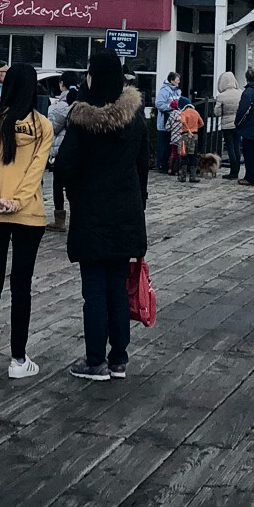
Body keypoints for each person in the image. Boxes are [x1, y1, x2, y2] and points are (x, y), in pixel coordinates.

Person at [53, 52, 150, 380]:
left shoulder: (82, 119)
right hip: (126, 214)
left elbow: (65, 165)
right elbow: (143, 163)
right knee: (118, 287)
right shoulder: (135, 117)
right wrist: (141, 200)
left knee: (93, 288)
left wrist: (72, 192)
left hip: (91, 215)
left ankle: (95, 360)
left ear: (94, 76)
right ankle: (119, 357)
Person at [0, 62, 54, 379]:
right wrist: (18, 201)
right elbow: (36, 172)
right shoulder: (43, 127)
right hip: (28, 215)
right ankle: (19, 359)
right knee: (21, 286)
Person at [46, 82, 73, 232]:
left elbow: (52, 127)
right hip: (76, 152)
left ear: (62, 84)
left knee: (58, 185)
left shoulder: (62, 105)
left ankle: (59, 220)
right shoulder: (80, 101)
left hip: (61, 149)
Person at [214, 71, 243, 178]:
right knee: (237, 147)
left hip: (227, 125)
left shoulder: (222, 96)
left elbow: (217, 112)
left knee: (230, 148)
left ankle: (232, 172)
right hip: (238, 124)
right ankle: (237, 170)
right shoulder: (240, 93)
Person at [153, 71, 181, 174]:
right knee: (163, 144)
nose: (179, 82)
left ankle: (170, 165)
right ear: (172, 80)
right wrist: (170, 107)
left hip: (175, 123)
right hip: (164, 122)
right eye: (177, 79)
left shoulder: (177, 91)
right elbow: (158, 104)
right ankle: (161, 164)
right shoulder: (164, 91)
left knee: (172, 144)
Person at [172, 99, 204, 183]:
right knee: (193, 155)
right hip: (194, 135)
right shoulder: (195, 112)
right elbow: (202, 123)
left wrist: (187, 129)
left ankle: (183, 176)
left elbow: (182, 121)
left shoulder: (184, 112)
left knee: (184, 155)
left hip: (185, 135)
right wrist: (194, 128)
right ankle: (192, 177)